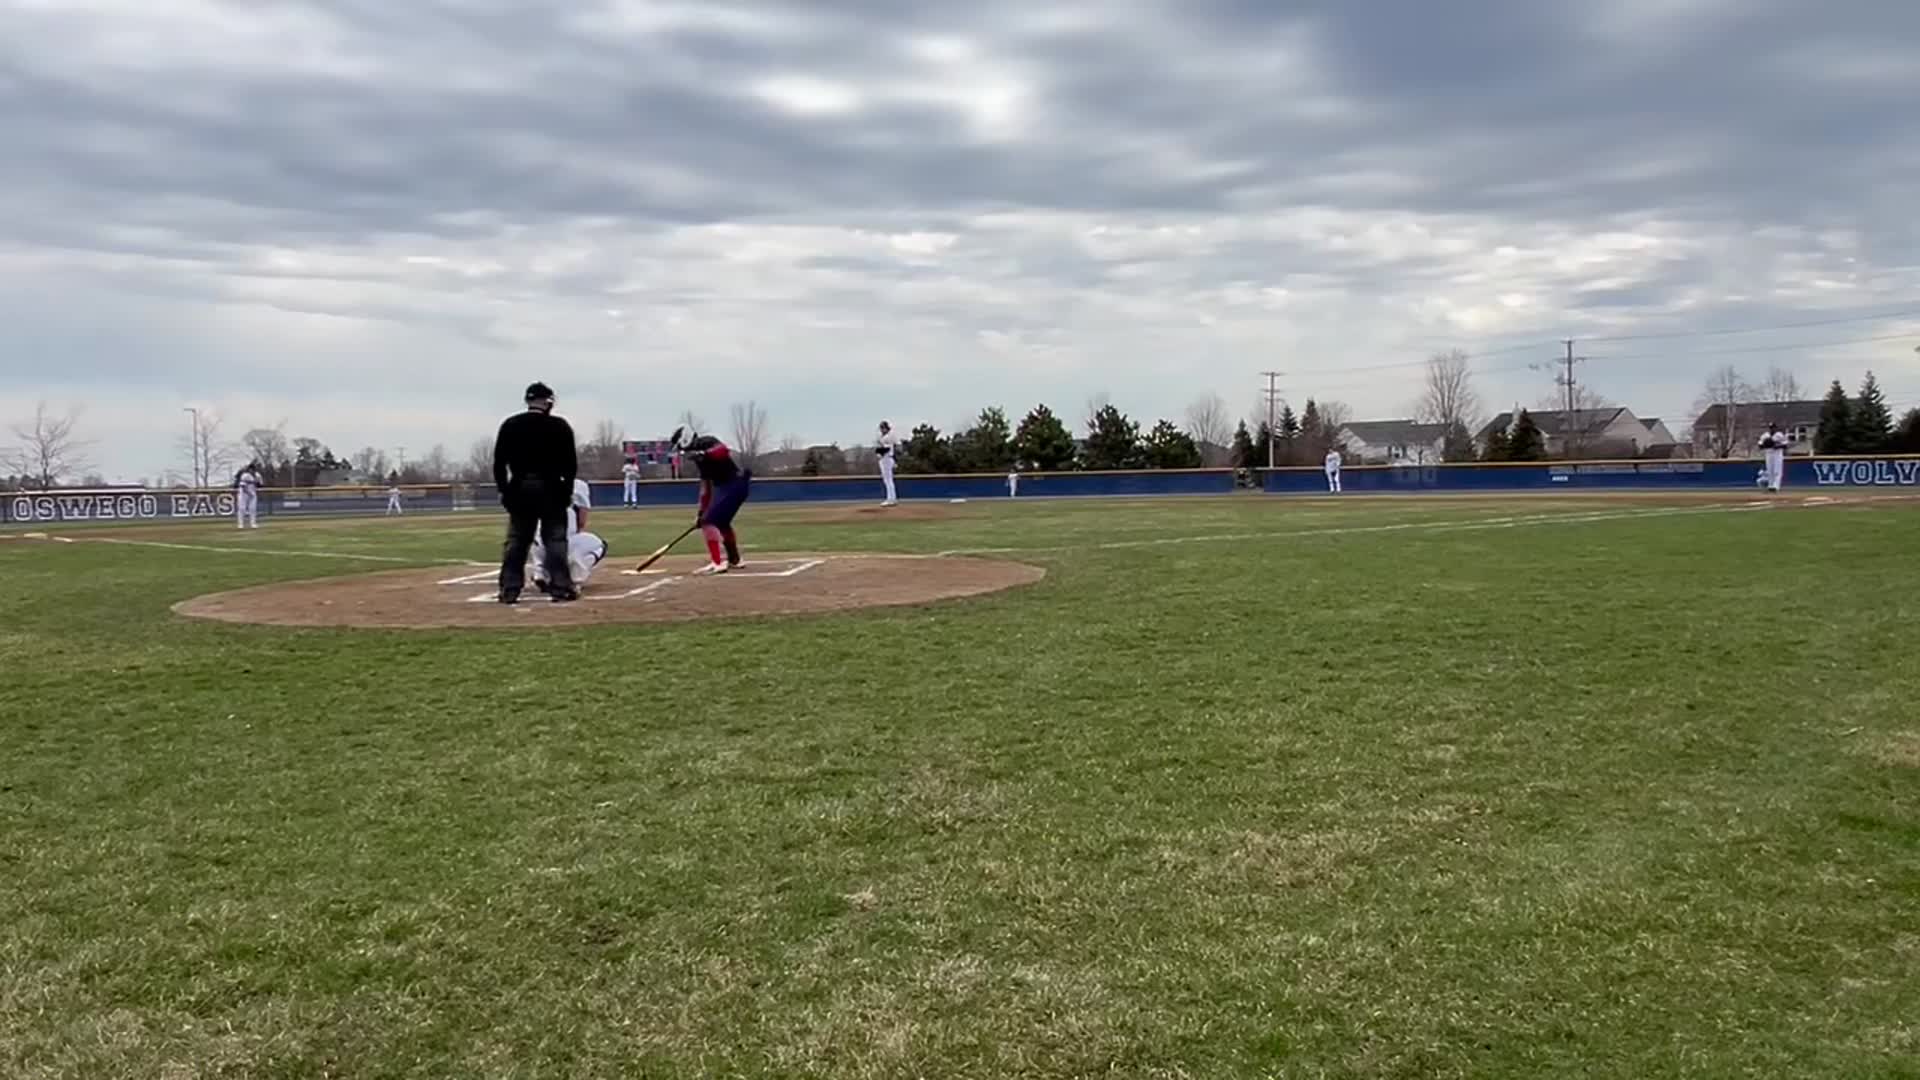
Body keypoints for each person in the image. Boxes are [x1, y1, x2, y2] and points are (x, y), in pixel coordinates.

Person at [492, 381, 578, 603]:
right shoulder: (560, 426)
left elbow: (499, 463)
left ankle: (509, 589)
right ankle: (560, 587)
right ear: (548, 402)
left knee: (517, 540)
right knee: (555, 540)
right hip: (551, 488)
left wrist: (504, 490)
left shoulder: (510, 425)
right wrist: (566, 490)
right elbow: (570, 465)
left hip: (520, 488)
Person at [682, 432, 752, 574]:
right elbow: (705, 489)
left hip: (735, 484)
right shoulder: (699, 460)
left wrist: (706, 453)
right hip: (725, 487)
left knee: (709, 522)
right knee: (720, 523)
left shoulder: (708, 441)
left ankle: (718, 562)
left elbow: (723, 450)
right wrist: (701, 512)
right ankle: (735, 560)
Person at [531, 477, 609, 593]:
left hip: (538, 544)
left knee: (536, 538)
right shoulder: (578, 485)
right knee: (600, 545)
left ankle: (540, 572)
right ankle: (575, 579)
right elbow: (582, 522)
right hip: (562, 543)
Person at [1758, 423, 1790, 493]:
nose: (1772, 429)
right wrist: (1766, 445)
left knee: (1777, 470)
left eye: (1773, 427)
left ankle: (1776, 486)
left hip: (1777, 454)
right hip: (1768, 453)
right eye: (1771, 427)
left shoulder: (1779, 435)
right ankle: (1771, 485)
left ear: (1776, 428)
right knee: (1770, 470)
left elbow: (1785, 445)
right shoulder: (1765, 435)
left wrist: (1777, 446)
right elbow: (1760, 445)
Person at [876, 421, 899, 506]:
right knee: (888, 480)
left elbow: (887, 449)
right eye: (881, 428)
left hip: (886, 459)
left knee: (888, 480)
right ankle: (892, 498)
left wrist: (878, 452)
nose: (882, 430)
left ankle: (890, 499)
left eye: (883, 428)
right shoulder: (885, 436)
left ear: (886, 428)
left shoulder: (888, 436)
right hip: (887, 458)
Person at [235, 462, 262, 529]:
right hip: (243, 494)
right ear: (249, 469)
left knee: (253, 509)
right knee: (242, 509)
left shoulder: (258, 475)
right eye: (251, 469)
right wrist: (249, 493)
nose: (252, 470)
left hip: (253, 494)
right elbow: (242, 486)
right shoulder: (245, 475)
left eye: (253, 469)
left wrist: (257, 482)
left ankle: (253, 524)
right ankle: (240, 524)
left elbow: (260, 485)